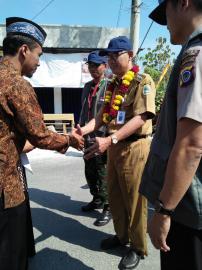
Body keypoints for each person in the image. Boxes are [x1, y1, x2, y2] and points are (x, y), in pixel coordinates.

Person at [0, 17, 84, 270]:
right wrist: (69, 139)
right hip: (6, 185)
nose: (39, 62)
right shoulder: (17, 84)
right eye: (39, 54)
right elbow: (40, 134)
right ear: (24, 50)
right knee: (10, 253)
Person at [75, 36, 156, 269]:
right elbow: (101, 117)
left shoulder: (143, 81)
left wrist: (111, 138)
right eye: (108, 56)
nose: (110, 60)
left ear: (129, 55)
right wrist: (84, 130)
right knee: (115, 195)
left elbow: (143, 117)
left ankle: (138, 248)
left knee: (134, 200)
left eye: (115, 55)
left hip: (134, 146)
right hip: (114, 146)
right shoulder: (111, 84)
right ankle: (122, 237)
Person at [139, 1, 202, 270]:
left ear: (183, 3)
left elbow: (191, 144)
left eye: (166, 14)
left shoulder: (195, 56)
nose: (165, 26)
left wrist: (164, 211)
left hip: (188, 208)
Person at [79, 51, 111, 226]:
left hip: (102, 138)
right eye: (90, 65)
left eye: (96, 65)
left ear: (104, 66)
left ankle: (108, 207)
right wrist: (80, 131)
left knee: (103, 173)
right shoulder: (87, 86)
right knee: (90, 171)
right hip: (87, 136)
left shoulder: (110, 86)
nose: (92, 69)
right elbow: (84, 110)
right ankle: (97, 199)